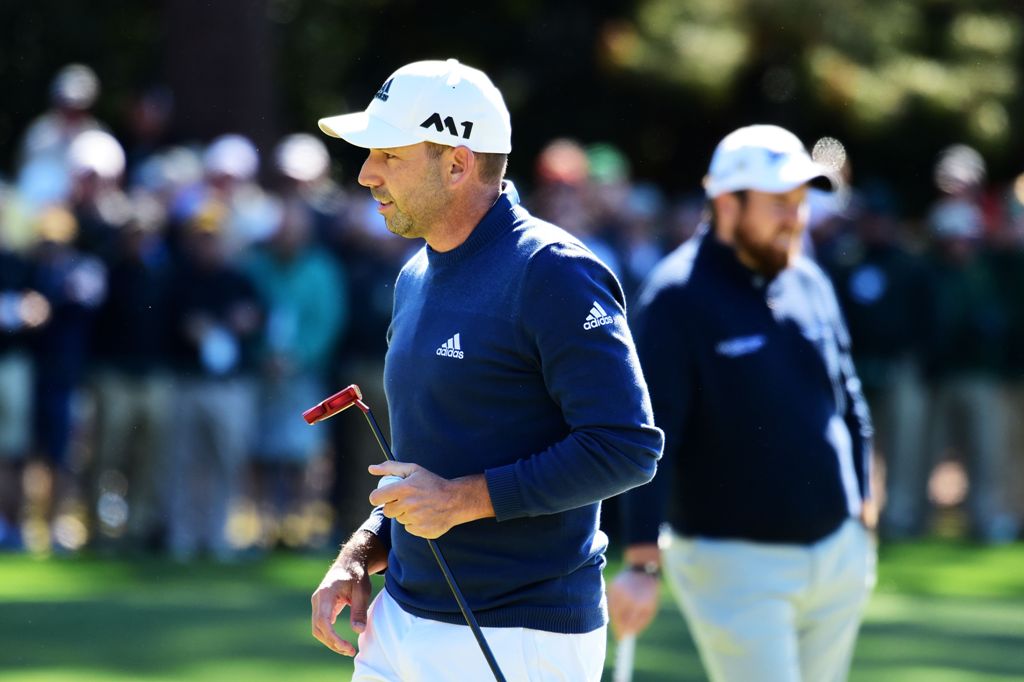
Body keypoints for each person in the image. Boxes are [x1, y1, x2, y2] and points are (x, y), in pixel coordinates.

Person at [309, 59, 663, 682]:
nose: (366, 174)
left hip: (519, 632)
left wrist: (460, 500)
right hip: (402, 619)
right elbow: (429, 463)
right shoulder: (416, 274)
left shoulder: (554, 271)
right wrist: (363, 551)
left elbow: (626, 447)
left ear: (456, 161)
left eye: (388, 154)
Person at [608, 125, 876, 682]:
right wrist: (640, 560)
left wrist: (863, 506)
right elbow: (650, 437)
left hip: (837, 551)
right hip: (733, 562)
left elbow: (848, 395)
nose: (795, 218)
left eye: (801, 202)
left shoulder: (807, 278)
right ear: (727, 203)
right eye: (779, 203)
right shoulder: (675, 297)